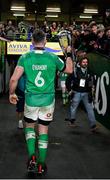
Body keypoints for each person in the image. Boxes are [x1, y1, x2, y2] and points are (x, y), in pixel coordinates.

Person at [9, 29, 73, 175]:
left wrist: (12, 93)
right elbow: (69, 70)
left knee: (30, 127)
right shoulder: (52, 57)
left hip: (31, 99)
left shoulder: (25, 57)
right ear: (45, 42)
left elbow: (14, 79)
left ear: (32, 42)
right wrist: (69, 54)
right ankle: (41, 164)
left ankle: (31, 155)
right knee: (43, 130)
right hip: (48, 100)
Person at [65, 56, 98, 132]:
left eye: (86, 62)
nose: (85, 63)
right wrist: (69, 89)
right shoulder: (75, 71)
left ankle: (93, 125)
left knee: (90, 109)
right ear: (80, 63)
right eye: (83, 62)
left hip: (86, 93)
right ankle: (72, 120)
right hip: (77, 92)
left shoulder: (90, 71)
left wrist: (92, 88)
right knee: (73, 107)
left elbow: (92, 81)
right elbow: (68, 80)